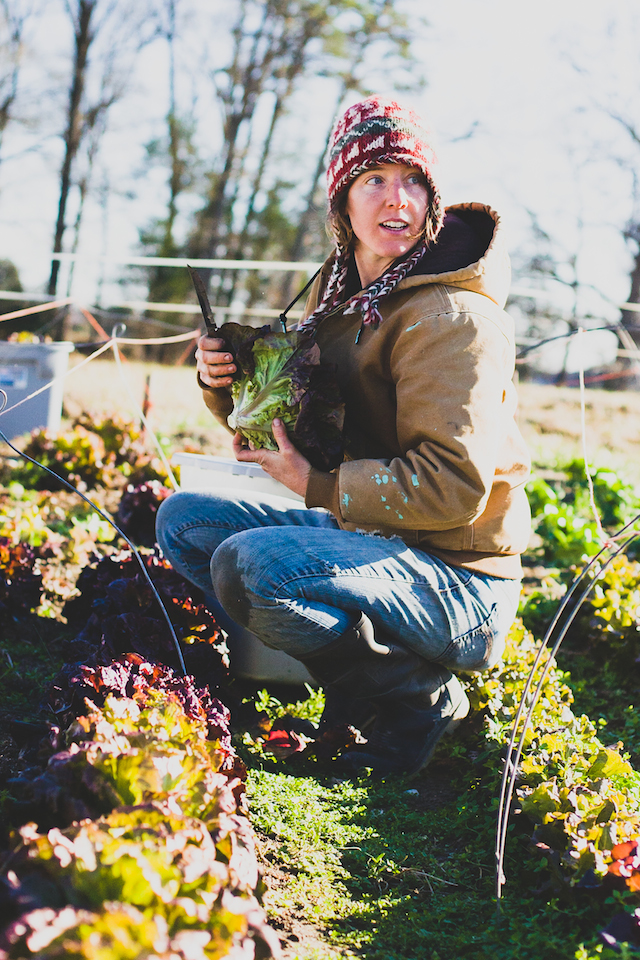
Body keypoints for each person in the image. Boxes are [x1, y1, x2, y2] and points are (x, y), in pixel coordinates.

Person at [156, 96, 531, 777]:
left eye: (415, 180)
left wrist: (320, 486)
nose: (399, 200)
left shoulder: (452, 319)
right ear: (342, 202)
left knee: (255, 564)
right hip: (384, 543)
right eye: (375, 179)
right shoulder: (346, 299)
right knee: (184, 521)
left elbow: (453, 489)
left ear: (435, 199)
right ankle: (359, 675)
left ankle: (414, 699)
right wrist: (225, 381)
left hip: (460, 581)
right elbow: (304, 426)